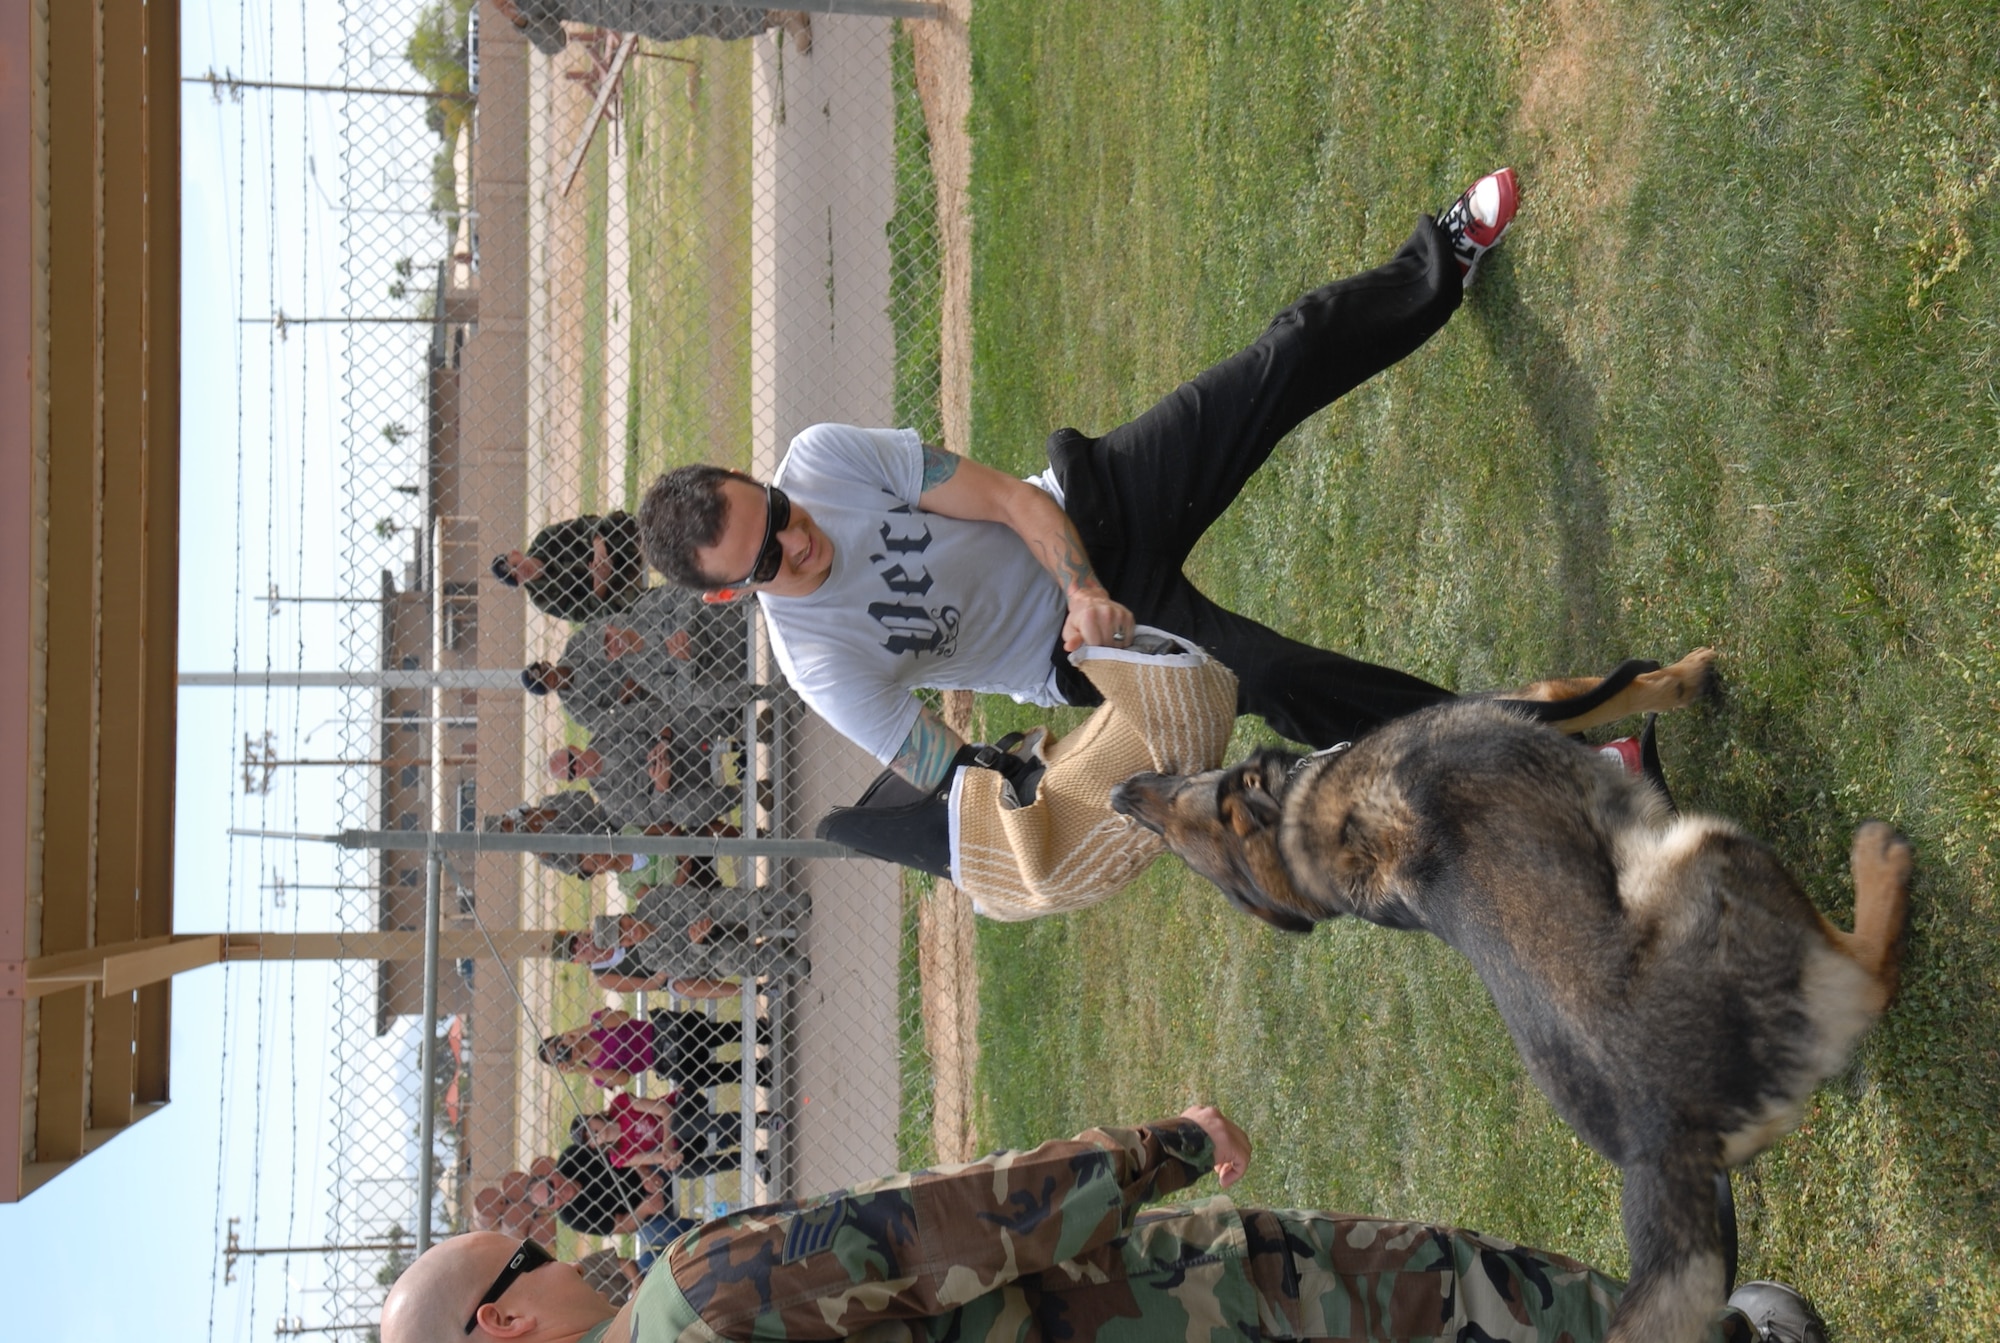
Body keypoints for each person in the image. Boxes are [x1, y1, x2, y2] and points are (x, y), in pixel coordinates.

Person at [638, 171, 1521, 789]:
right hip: (1077, 654)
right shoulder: (821, 666)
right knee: (1286, 682)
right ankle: (1529, 754)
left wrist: (1086, 587)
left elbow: (1010, 501)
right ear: (729, 599)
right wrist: (1037, 769)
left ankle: (1443, 257)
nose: (797, 539)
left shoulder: (824, 457)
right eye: (765, 564)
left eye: (779, 513)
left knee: (1277, 363)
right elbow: (949, 771)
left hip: (1087, 507)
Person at [385, 1106, 1831, 1343]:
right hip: (1157, 1313)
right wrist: (1156, 1151)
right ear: (503, 1319)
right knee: (1440, 1292)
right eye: (527, 1261)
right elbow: (941, 1224)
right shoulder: (696, 1289)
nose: (562, 1248)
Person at [538, 1004, 771, 1092]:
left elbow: (622, 1016)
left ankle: (754, 1031)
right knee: (694, 1080)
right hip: (661, 1060)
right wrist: (580, 1069)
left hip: (662, 1032)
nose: (566, 1052)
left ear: (562, 1038)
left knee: (692, 1035)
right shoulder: (595, 1074)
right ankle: (753, 1070)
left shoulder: (595, 1022)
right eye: (561, 1057)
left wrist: (582, 1031)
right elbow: (623, 1078)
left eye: (560, 1047)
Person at [493, 0, 814, 57]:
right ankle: (779, 15)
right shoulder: (520, 5)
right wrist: (520, 20)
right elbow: (555, 43)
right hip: (629, 13)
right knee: (698, 18)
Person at [493, 511, 646, 624]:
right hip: (613, 588)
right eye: (516, 577)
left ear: (515, 553)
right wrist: (600, 581)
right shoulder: (542, 598)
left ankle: (655, 532)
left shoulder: (545, 539)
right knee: (613, 613)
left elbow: (582, 524)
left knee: (613, 523)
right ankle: (661, 598)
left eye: (515, 565)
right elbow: (586, 613)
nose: (521, 572)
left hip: (611, 550)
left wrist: (598, 545)